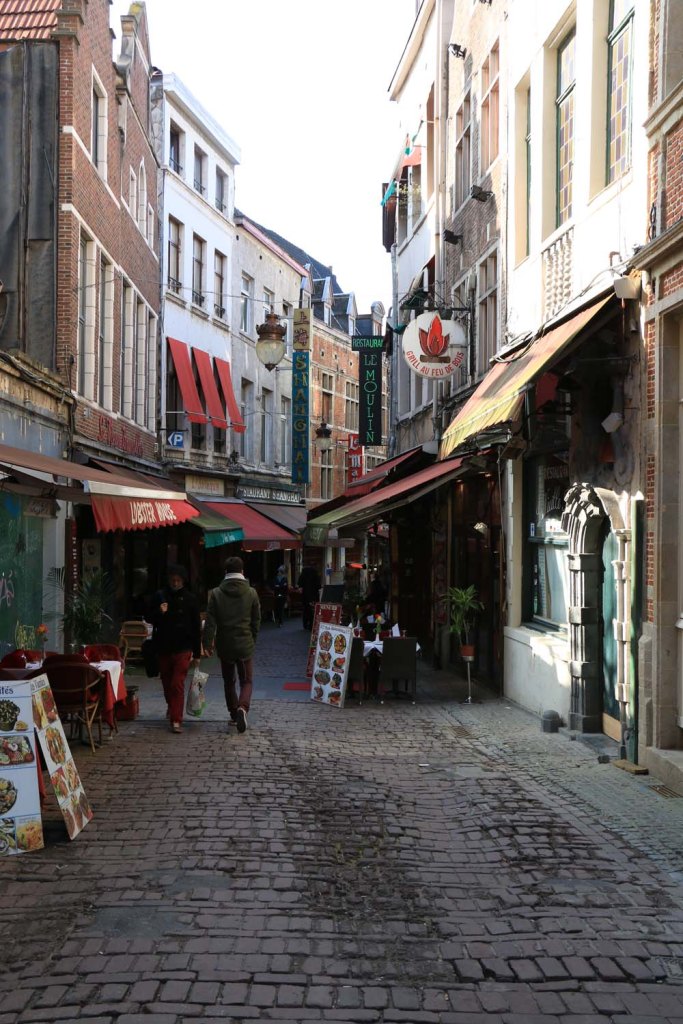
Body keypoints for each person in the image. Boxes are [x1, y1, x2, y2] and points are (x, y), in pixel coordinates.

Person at [203, 555, 260, 733]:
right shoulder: (251, 593)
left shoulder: (216, 594)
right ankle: (243, 707)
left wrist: (207, 643)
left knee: (229, 681)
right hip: (244, 643)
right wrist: (252, 639)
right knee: (246, 680)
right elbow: (256, 620)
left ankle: (234, 713)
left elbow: (210, 622)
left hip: (225, 643)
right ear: (242, 571)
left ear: (226, 572)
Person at [149, 564, 202, 734]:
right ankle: (172, 706)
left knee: (177, 683)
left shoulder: (190, 599)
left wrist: (197, 653)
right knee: (167, 683)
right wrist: (159, 612)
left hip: (183, 647)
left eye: (178, 580)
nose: (175, 583)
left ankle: (176, 719)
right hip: (164, 646)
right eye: (173, 580)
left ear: (183, 581)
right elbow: (149, 618)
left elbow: (196, 627)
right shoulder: (160, 596)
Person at [298, 564, 321, 631]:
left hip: (305, 596)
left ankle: (305, 625)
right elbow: (318, 586)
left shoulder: (303, 574)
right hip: (313, 595)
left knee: (305, 610)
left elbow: (300, 586)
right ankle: (311, 625)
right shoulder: (315, 574)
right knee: (313, 611)